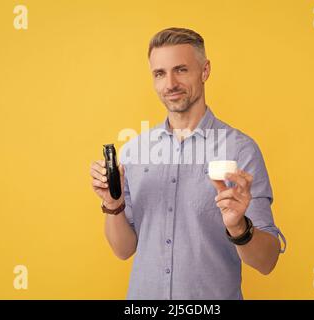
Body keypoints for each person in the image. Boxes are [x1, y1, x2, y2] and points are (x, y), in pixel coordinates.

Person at [90, 27, 286, 300]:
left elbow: (267, 262)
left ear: (204, 71)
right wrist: (113, 205)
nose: (170, 83)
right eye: (159, 73)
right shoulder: (134, 151)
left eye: (181, 70)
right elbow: (123, 250)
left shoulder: (241, 150)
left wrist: (239, 226)